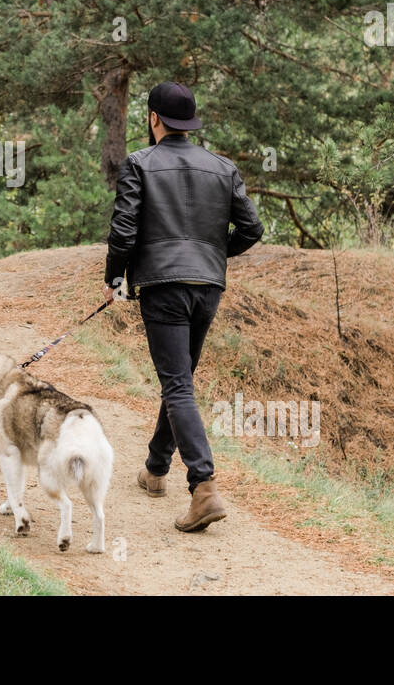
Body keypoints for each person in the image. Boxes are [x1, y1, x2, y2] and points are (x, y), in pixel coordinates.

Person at [103, 81, 263, 532]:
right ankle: (156, 470)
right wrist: (211, 256)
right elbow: (252, 228)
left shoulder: (139, 164)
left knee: (177, 385)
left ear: (154, 118)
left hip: (164, 288)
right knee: (181, 380)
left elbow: (124, 231)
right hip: (207, 287)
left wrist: (116, 277)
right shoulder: (223, 166)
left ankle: (204, 487)